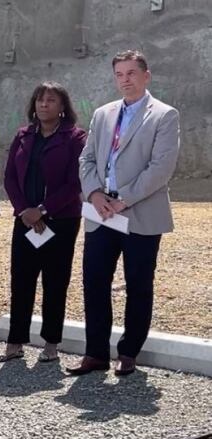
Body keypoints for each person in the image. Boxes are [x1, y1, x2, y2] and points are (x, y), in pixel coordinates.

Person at [67, 50, 180, 376]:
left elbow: (161, 168)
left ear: (146, 76)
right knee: (95, 282)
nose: (125, 80)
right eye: (119, 74)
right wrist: (94, 193)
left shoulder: (164, 115)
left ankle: (129, 352)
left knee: (139, 284)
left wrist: (124, 199)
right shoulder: (103, 114)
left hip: (140, 213)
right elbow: (86, 160)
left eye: (131, 73)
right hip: (101, 212)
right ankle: (96, 354)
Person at [0, 82, 87, 364]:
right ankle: (15, 343)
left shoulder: (75, 138)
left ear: (62, 107)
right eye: (40, 100)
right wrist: (24, 211)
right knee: (21, 281)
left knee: (55, 283)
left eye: (51, 100)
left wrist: (42, 210)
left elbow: (74, 182)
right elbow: (9, 178)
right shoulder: (24, 136)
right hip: (25, 221)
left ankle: (51, 344)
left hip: (61, 221)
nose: (44, 105)